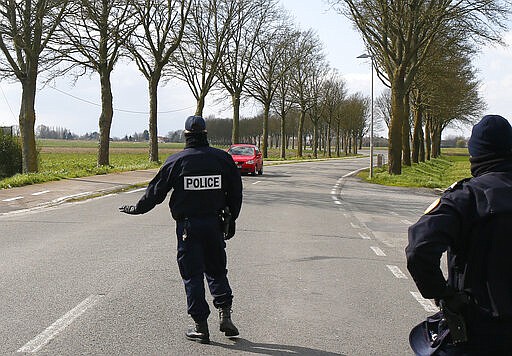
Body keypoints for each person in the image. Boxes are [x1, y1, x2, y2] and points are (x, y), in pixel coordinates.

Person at [119, 115, 243, 344]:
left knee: (192, 275)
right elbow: (236, 191)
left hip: (188, 227)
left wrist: (137, 209)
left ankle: (200, 326)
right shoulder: (222, 159)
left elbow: (155, 192)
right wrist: (232, 218)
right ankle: (225, 314)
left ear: (186, 135)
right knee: (216, 270)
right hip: (215, 224)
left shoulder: (177, 161)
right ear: (206, 134)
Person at [406, 114, 512, 355]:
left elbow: (419, 248)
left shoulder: (465, 197)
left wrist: (443, 294)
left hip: (478, 324)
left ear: (475, 153)